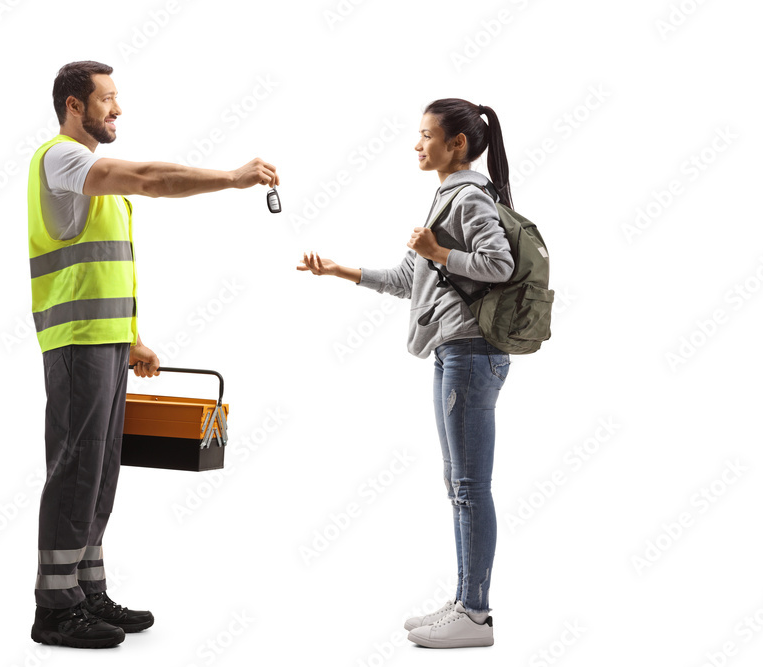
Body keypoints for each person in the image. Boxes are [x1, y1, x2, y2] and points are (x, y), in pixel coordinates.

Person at [28, 60, 279, 649]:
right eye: (107, 100)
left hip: (106, 339)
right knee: (75, 466)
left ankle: (87, 590)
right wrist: (232, 177)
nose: (117, 109)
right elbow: (148, 177)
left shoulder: (93, 181)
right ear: (74, 105)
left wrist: (132, 336)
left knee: (101, 467)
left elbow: (106, 264)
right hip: (76, 341)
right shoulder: (62, 158)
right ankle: (55, 608)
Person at [297, 98, 513, 649]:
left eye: (425, 135)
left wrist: (439, 249)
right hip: (454, 351)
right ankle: (467, 602)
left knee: (469, 487)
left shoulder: (467, 197)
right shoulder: (446, 196)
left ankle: (476, 613)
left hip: (470, 352)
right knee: (458, 485)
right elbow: (407, 280)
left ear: (456, 143)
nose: (417, 145)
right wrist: (338, 270)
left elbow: (499, 265)